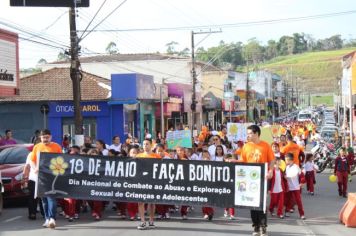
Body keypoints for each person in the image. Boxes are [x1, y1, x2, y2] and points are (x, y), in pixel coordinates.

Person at [240, 125, 275, 236]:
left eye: (250, 133)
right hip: (250, 179)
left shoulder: (265, 146)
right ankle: (255, 226)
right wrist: (233, 161)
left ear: (256, 133)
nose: (248, 135)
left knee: (262, 203)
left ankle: (263, 227)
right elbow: (242, 161)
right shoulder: (246, 146)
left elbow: (272, 160)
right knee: (252, 203)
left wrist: (270, 171)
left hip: (262, 178)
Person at [30, 129, 62, 229]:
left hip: (53, 176)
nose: (45, 139)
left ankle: (52, 218)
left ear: (51, 137)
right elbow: (32, 160)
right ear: (40, 137)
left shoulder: (56, 146)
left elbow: (62, 159)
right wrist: (35, 168)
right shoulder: (37, 147)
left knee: (51, 197)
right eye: (43, 137)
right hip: (41, 177)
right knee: (44, 199)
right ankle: (47, 219)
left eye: (47, 137)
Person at [136, 139, 160, 230]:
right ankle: (142, 221)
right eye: (144, 144)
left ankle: (151, 221)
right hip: (141, 182)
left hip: (152, 182)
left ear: (151, 145)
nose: (145, 146)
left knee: (152, 202)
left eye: (147, 144)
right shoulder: (138, 156)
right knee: (140, 202)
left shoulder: (156, 156)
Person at [285, 153, 306, 220]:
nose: (285, 161)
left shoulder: (296, 167)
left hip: (296, 187)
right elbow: (286, 176)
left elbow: (302, 175)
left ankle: (302, 214)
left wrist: (302, 182)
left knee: (298, 201)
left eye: (286, 160)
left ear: (290, 160)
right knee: (288, 200)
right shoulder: (287, 167)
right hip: (289, 187)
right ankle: (287, 211)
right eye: (285, 160)